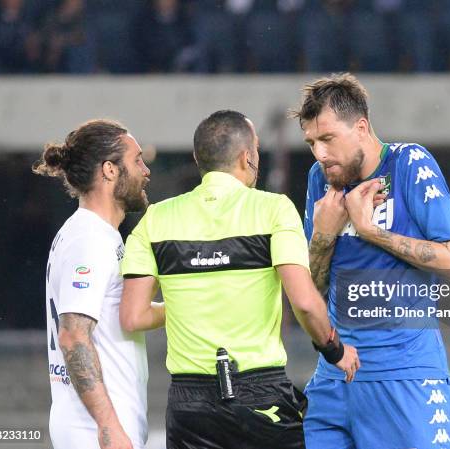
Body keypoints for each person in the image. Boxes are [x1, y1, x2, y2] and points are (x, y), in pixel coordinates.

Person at [119, 110, 360, 449]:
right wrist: (335, 350)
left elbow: (132, 316)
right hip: (260, 394)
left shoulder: (155, 219)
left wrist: (196, 299)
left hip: (190, 403)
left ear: (198, 159)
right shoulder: (273, 209)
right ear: (248, 156)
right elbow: (304, 302)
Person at [290, 73, 450, 449]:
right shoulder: (319, 179)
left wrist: (370, 231)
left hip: (405, 377)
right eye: (311, 143)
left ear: (361, 127)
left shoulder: (409, 164)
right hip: (335, 377)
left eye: (327, 139)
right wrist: (323, 235)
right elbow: (314, 287)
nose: (319, 154)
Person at [33, 119, 160, 449]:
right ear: (109, 170)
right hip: (92, 433)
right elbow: (74, 336)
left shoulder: (97, 234)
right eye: (136, 160)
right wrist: (107, 425)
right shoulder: (88, 239)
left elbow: (120, 314)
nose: (145, 170)